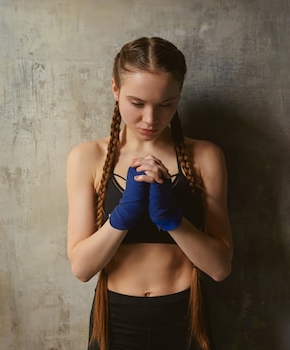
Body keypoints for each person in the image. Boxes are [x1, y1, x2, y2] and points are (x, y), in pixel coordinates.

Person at [66, 36, 233, 350]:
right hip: (115, 319)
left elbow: (220, 267)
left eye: (166, 104)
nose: (150, 119)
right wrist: (121, 218)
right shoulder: (87, 157)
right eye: (137, 103)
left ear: (178, 97)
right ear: (115, 90)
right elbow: (82, 268)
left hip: (186, 319)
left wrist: (173, 220)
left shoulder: (205, 156)